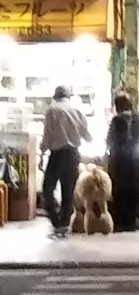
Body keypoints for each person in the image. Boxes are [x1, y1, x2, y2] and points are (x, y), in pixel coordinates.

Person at [41, 85, 91, 238]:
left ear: (55, 96)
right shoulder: (77, 110)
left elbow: (47, 134)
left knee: (47, 189)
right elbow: (86, 134)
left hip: (57, 155)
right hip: (73, 154)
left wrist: (42, 152)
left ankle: (56, 222)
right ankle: (63, 224)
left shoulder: (52, 110)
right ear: (68, 96)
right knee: (68, 191)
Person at [106, 93, 139, 233]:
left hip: (119, 160)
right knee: (134, 190)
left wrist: (108, 151)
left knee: (120, 191)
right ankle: (132, 222)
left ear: (117, 105)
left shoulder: (116, 119)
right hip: (137, 159)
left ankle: (122, 222)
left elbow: (109, 139)